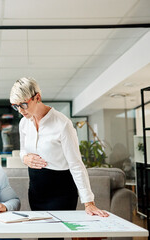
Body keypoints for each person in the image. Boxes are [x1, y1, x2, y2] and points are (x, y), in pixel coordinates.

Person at [9, 77, 108, 218]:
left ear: (37, 97)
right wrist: (25, 158)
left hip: (61, 192)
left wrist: (88, 202)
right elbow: (23, 150)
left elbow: (76, 164)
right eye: (15, 106)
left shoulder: (62, 124)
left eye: (23, 104)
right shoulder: (24, 123)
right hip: (36, 191)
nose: (20, 110)